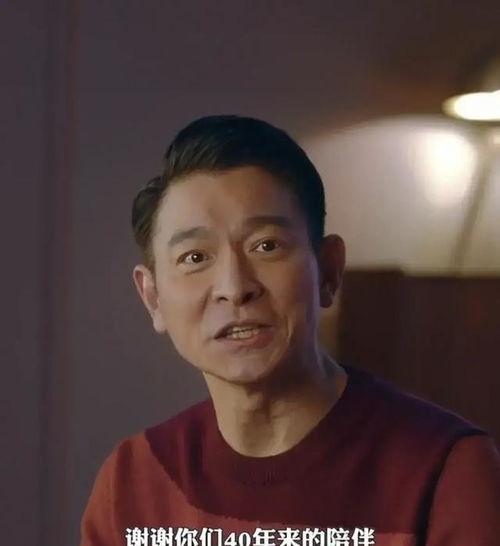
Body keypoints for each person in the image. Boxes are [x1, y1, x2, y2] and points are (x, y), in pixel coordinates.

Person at [80, 115, 500, 546]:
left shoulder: (443, 469)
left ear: (329, 271)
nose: (235, 288)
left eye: (267, 246)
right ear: (152, 297)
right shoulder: (134, 481)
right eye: (195, 257)